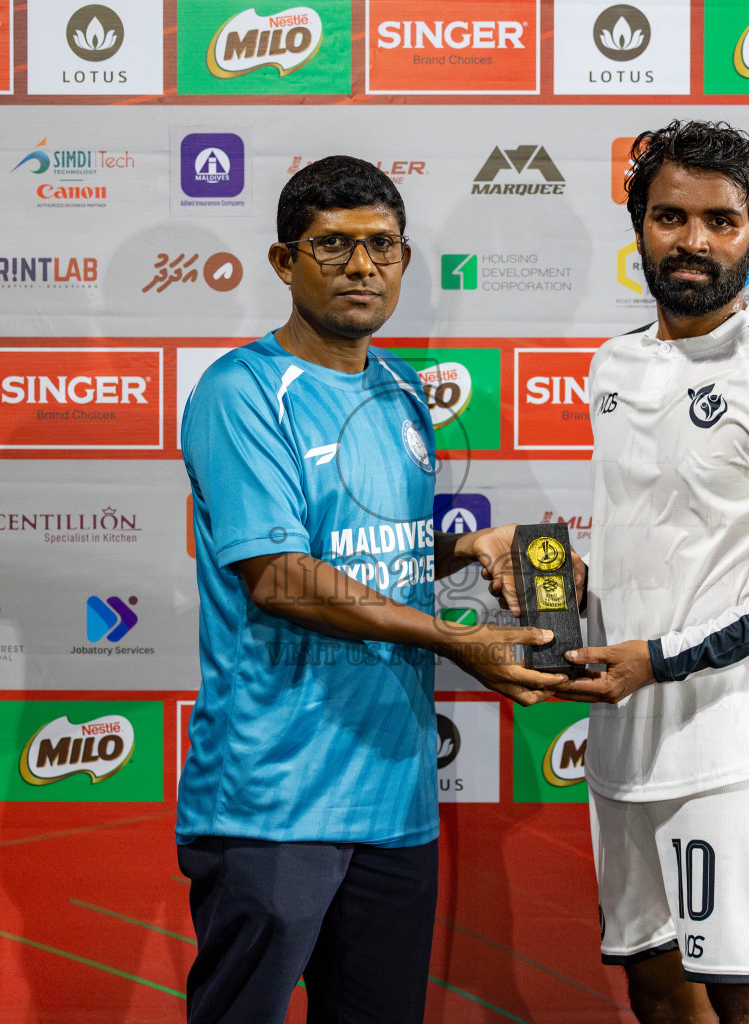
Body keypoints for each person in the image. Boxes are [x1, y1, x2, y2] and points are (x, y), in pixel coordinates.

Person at [175, 155, 574, 1024]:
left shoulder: (399, 389)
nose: (363, 267)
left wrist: (468, 546)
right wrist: (458, 642)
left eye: (383, 246)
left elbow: (369, 559)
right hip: (274, 798)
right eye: (334, 247)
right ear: (285, 263)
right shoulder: (241, 392)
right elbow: (279, 576)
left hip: (396, 795)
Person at [559, 120, 749, 1024]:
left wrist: (660, 658)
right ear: (639, 227)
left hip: (733, 750)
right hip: (622, 746)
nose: (694, 241)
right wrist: (574, 585)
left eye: (720, 221)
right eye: (670, 217)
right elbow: (658, 536)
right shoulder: (611, 364)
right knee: (657, 992)